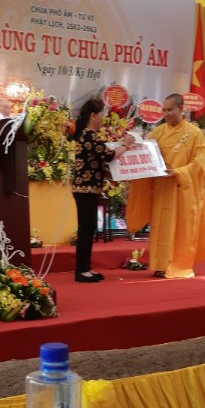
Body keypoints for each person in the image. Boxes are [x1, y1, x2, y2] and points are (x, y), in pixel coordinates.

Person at [126, 93, 205, 278]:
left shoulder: (194, 133)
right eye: (164, 110)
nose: (165, 114)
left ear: (181, 109)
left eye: (169, 110)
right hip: (162, 190)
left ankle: (179, 264)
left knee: (181, 229)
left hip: (183, 189)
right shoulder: (157, 133)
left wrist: (179, 172)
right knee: (161, 228)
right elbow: (146, 157)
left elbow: (200, 164)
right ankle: (161, 264)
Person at [72, 98, 134, 283]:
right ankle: (81, 270)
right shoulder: (89, 136)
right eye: (101, 114)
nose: (103, 118)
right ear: (93, 116)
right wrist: (126, 144)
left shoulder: (86, 135)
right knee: (86, 230)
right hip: (86, 190)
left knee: (88, 229)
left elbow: (97, 163)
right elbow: (109, 155)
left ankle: (86, 267)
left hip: (87, 189)